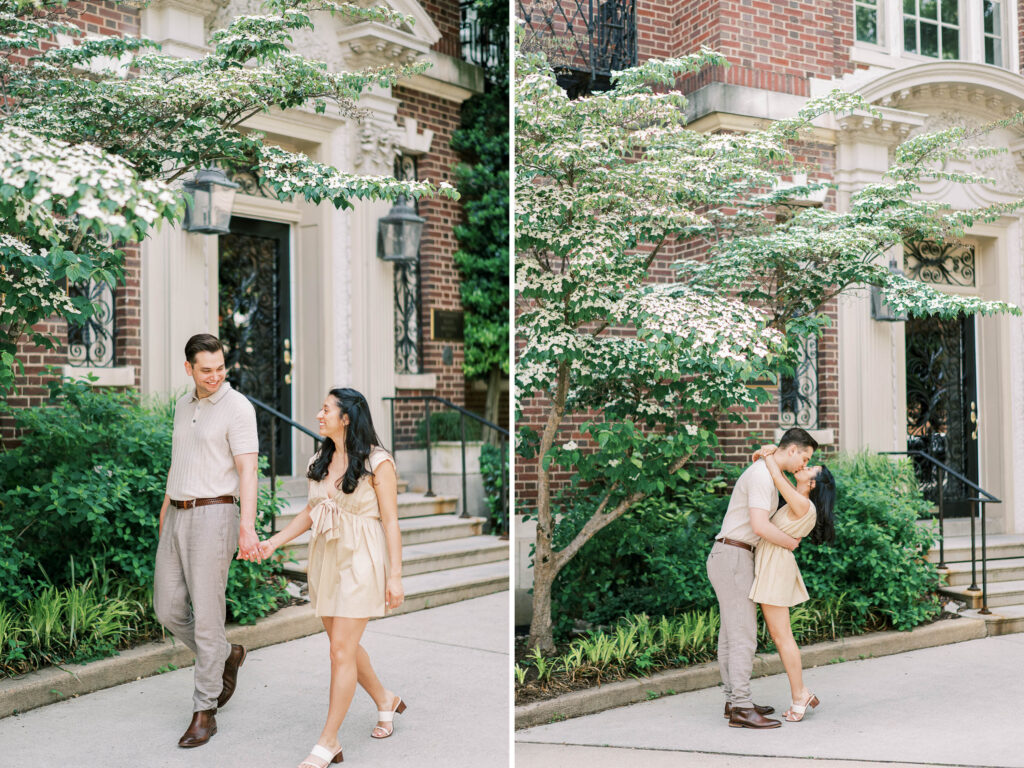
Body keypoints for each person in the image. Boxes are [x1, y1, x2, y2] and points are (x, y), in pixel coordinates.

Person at [259, 388, 406, 768]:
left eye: (326, 409)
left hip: (362, 558)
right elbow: (310, 512)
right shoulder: (320, 459)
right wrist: (274, 542)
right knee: (345, 646)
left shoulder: (378, 462)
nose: (318, 413)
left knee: (340, 650)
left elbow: (390, 522)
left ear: (346, 418)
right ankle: (386, 699)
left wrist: (396, 576)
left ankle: (328, 742)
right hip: (325, 557)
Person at [153, 333, 262, 748]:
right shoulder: (184, 405)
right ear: (189, 369)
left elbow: (247, 471)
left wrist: (246, 525)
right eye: (206, 370)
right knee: (167, 608)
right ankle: (226, 655)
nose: (215, 376)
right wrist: (166, 506)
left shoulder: (238, 407)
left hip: (215, 513)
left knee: (208, 613)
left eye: (220, 368)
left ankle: (205, 709)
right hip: (177, 513)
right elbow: (179, 459)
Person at [706, 427, 817, 729]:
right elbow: (758, 525)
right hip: (734, 556)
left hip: (732, 555)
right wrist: (790, 543)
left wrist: (767, 455)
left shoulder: (767, 473)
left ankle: (734, 701)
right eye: (804, 457)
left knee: (731, 635)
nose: (803, 465)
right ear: (793, 449)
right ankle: (741, 707)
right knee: (743, 636)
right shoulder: (761, 476)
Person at [749, 443, 836, 723]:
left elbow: (777, 478)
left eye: (810, 467)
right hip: (774, 565)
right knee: (780, 636)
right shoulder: (798, 498)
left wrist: (766, 457)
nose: (804, 465)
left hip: (777, 568)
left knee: (782, 636)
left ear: (812, 483)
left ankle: (800, 695)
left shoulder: (803, 505)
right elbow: (781, 478)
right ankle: (801, 693)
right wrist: (768, 454)